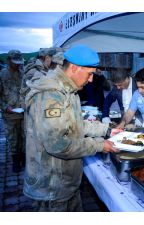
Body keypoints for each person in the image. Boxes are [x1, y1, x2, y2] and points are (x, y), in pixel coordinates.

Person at [23, 45, 118, 212]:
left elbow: (76, 125)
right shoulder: (51, 95)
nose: (90, 80)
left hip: (66, 183)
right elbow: (58, 145)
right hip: (53, 187)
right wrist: (99, 145)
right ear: (74, 68)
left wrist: (107, 131)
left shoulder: (69, 91)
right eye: (89, 74)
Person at [0, 50, 25, 172]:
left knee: (24, 138)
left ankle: (24, 159)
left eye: (19, 62)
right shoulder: (2, 75)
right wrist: (5, 107)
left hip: (23, 114)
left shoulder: (22, 73)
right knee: (13, 139)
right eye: (15, 62)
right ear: (8, 60)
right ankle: (15, 161)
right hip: (10, 115)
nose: (18, 65)